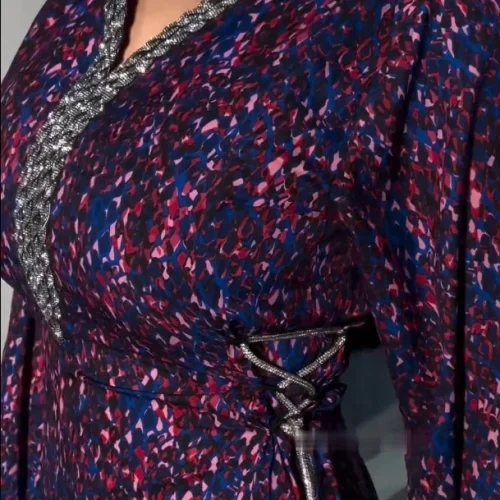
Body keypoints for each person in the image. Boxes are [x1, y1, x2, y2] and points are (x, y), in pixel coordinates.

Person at [1, 0, 498, 498]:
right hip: (60, 469)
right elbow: (52, 285)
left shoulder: (408, 21)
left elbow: (474, 390)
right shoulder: (74, 13)